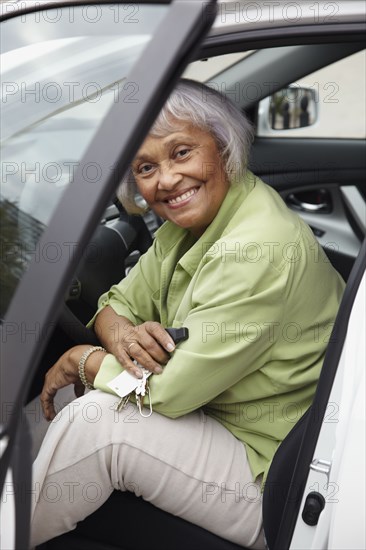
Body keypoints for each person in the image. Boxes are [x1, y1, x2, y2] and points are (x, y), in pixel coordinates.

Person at [31, 79, 345, 549]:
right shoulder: (194, 224)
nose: (167, 180)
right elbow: (114, 303)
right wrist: (124, 337)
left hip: (278, 476)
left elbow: (166, 393)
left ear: (222, 147)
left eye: (181, 153)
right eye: (146, 167)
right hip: (229, 424)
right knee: (66, 415)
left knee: (98, 420)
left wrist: (82, 359)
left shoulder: (255, 247)